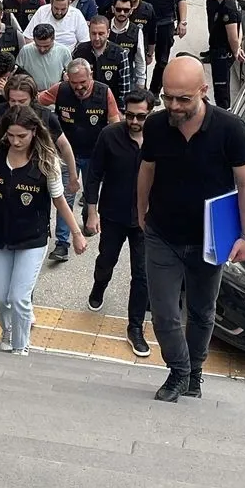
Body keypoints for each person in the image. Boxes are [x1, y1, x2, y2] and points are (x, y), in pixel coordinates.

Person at [137, 57, 245, 402]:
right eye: (168, 97)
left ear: (204, 91)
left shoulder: (230, 128)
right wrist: (141, 211)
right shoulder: (156, 125)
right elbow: (147, 169)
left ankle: (195, 372)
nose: (174, 106)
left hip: (211, 239)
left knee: (203, 311)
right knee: (163, 313)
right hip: (162, 233)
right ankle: (180, 370)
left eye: (183, 99)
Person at [0, 104, 87, 355]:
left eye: (21, 136)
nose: (15, 141)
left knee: (19, 297)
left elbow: (59, 200)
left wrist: (76, 234)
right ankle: (7, 329)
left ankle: (20, 345)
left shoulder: (47, 161)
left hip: (32, 238)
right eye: (11, 135)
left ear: (34, 132)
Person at [85, 90, 151, 356]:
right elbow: (94, 174)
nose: (134, 121)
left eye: (141, 117)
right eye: (129, 115)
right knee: (106, 261)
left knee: (142, 274)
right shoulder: (109, 135)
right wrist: (91, 212)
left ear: (150, 114)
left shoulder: (159, 137)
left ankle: (135, 327)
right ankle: (98, 287)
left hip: (146, 220)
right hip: (113, 214)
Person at [38, 58, 121, 261]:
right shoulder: (60, 89)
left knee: (91, 192)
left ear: (91, 75)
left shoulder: (104, 92)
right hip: (67, 155)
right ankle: (62, 243)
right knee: (65, 196)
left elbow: (114, 124)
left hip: (95, 155)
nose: (79, 87)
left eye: (83, 82)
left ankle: (88, 215)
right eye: (74, 83)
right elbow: (37, 102)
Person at [0, 75, 80, 216]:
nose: (16, 105)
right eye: (12, 100)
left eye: (22, 101)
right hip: (4, 175)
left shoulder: (45, 116)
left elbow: (64, 145)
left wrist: (73, 176)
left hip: (36, 176)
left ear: (32, 98)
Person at [135, 0, 187, 100]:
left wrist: (183, 22)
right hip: (144, 24)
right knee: (141, 58)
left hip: (166, 23)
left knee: (162, 61)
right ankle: (140, 91)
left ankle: (154, 92)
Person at [73, 15, 131, 109]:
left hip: (111, 106)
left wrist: (121, 111)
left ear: (108, 33)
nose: (97, 38)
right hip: (83, 105)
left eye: (101, 34)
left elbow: (125, 89)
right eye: (93, 33)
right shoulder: (80, 50)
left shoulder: (120, 53)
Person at [206, 0, 244, 110]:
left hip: (222, 55)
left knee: (221, 92)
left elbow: (233, 34)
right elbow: (240, 27)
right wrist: (238, 47)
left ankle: (224, 114)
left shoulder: (227, 7)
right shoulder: (231, 3)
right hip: (222, 53)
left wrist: (236, 51)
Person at [24, 0, 89, 50]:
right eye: (56, 8)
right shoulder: (42, 11)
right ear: (51, 2)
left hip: (68, 54)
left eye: (63, 9)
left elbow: (84, 41)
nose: (59, 12)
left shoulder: (76, 14)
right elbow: (28, 38)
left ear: (69, 3)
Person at [108, 0, 147, 93]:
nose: (122, 13)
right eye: (118, 9)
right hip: (105, 80)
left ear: (131, 11)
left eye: (126, 10)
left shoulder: (137, 31)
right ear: (113, 9)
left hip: (127, 80)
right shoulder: (104, 27)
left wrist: (141, 82)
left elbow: (140, 59)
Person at [15, 23, 72, 89]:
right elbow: (17, 72)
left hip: (55, 92)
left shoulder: (64, 51)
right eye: (38, 45)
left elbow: (69, 73)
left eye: (46, 46)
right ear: (34, 39)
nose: (42, 49)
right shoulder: (25, 50)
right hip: (32, 91)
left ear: (53, 39)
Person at [123, 0, 157, 64]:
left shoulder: (148, 9)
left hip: (140, 53)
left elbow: (152, 35)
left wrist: (150, 54)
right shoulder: (117, 7)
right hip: (119, 53)